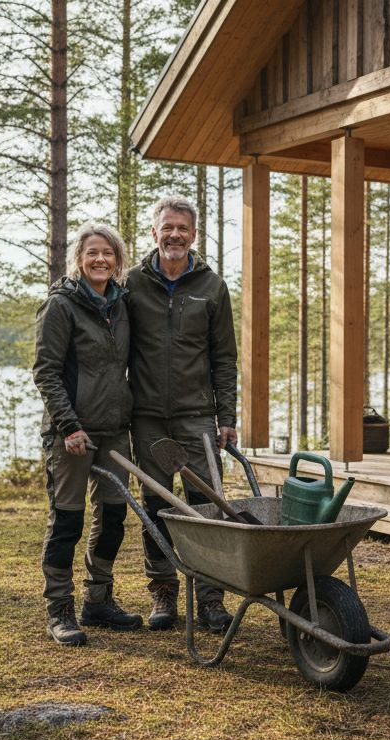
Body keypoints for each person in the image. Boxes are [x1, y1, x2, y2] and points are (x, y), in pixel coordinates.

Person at [125, 196, 239, 633]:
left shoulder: (212, 287)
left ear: (194, 235)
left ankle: (211, 599)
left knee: (205, 508)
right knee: (156, 506)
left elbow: (224, 357)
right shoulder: (132, 283)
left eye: (183, 229)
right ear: (154, 233)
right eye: (167, 227)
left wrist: (226, 415)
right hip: (148, 416)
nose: (175, 235)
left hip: (197, 417)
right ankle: (163, 594)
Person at [33, 223, 142, 646]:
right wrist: (69, 425)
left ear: (118, 261)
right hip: (72, 434)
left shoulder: (122, 304)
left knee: (113, 517)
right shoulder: (61, 306)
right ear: (79, 259)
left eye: (108, 253)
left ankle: (98, 600)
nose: (100, 260)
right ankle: (59, 609)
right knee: (67, 520)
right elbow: (46, 371)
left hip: (114, 431)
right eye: (92, 252)